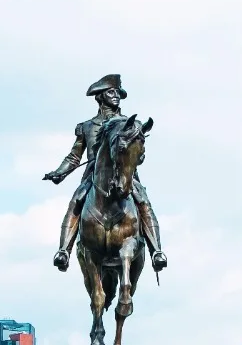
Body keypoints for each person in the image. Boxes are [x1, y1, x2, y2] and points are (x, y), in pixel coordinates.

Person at [43, 74, 167, 272]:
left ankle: (156, 251)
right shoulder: (87, 126)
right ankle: (63, 251)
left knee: (143, 200)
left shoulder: (129, 124)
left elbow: (138, 152)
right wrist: (59, 173)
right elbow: (74, 157)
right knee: (76, 201)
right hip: (94, 177)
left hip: (125, 174)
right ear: (100, 97)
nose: (116, 96)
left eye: (118, 93)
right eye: (111, 92)